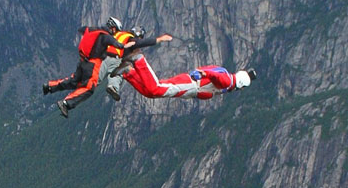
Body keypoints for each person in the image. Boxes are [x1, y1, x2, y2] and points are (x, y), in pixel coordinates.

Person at [42, 18, 173, 115]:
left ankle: (51, 86)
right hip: (112, 59)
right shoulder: (131, 38)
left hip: (98, 59)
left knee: (79, 81)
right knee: (116, 72)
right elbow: (143, 43)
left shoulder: (116, 34)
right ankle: (112, 86)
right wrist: (159, 39)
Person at [122, 55, 256, 101]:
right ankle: (139, 60)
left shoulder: (225, 73)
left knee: (150, 92)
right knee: (156, 89)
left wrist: (203, 72)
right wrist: (205, 74)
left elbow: (211, 71)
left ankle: (128, 72)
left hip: (188, 83)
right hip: (190, 85)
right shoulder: (227, 81)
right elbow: (215, 76)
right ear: (240, 85)